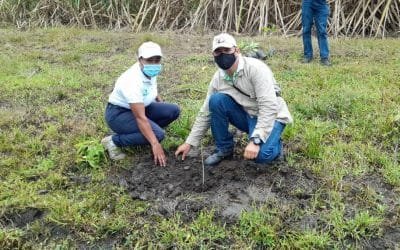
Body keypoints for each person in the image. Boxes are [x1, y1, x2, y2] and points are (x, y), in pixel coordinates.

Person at [175, 33, 293, 167]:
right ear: (213, 55)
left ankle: (275, 144)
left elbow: (269, 106)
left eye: (227, 50)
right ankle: (224, 149)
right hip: (247, 114)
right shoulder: (218, 78)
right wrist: (189, 142)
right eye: (218, 52)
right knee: (216, 100)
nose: (222, 55)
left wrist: (256, 141)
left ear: (236, 50)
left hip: (272, 116)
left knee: (261, 157)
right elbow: (206, 111)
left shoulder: (256, 69)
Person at [102, 41, 180, 166]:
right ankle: (113, 141)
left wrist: (160, 103)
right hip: (119, 114)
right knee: (158, 135)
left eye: (157, 60)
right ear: (140, 59)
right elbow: (140, 117)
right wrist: (155, 143)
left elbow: (151, 88)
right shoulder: (131, 81)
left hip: (142, 107)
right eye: (150, 60)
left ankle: (143, 133)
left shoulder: (149, 71)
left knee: (173, 110)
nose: (154, 63)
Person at [301, 0, 331, 66]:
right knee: (306, 29)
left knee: (322, 31)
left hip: (322, 3)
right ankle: (308, 56)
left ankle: (324, 57)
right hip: (307, 2)